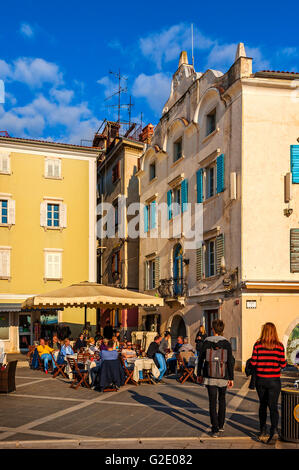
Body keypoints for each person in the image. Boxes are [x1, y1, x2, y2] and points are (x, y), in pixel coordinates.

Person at [250, 322, 287, 444]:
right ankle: (274, 430)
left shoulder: (258, 345)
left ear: (263, 331)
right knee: (273, 407)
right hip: (274, 381)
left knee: (263, 405)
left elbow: (254, 363)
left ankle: (262, 430)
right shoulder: (280, 346)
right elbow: (283, 364)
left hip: (261, 380)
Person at [198, 319, 234, 438]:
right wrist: (231, 378)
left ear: (213, 329)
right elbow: (230, 362)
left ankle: (215, 429)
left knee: (212, 402)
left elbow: (201, 359)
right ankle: (221, 424)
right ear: (222, 330)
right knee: (222, 400)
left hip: (209, 376)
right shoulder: (226, 343)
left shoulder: (206, 342)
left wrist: (199, 374)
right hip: (223, 376)